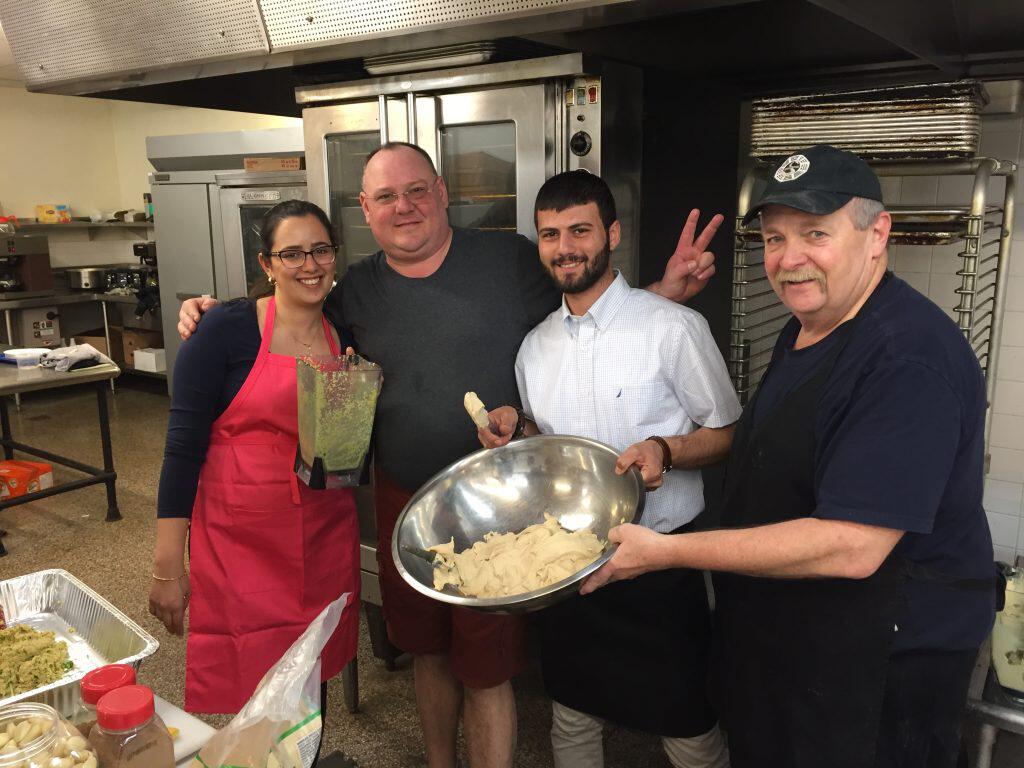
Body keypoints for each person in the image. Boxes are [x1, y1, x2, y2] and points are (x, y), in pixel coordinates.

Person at [178, 142, 722, 768]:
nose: (403, 206)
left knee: (487, 669)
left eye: (416, 190)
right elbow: (290, 308)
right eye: (386, 196)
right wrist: (216, 314)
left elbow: (588, 317)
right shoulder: (356, 290)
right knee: (427, 652)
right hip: (402, 495)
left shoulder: (508, 260)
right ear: (366, 209)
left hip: (501, 506)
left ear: (440, 192)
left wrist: (661, 292)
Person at [582, 144, 997, 768]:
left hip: (877, 663)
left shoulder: (906, 359)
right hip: (798, 643)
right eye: (774, 238)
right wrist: (669, 447)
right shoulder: (807, 326)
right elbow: (769, 441)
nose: (789, 258)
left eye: (816, 233)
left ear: (876, 234)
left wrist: (668, 552)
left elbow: (852, 547)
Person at [476, 170, 739, 768]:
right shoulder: (534, 347)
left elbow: (725, 434)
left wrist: (666, 451)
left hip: (661, 559)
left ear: (611, 233)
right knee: (571, 709)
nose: (565, 247)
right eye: (550, 235)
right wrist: (517, 431)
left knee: (687, 720)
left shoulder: (673, 328)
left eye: (579, 230)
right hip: (569, 560)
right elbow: (549, 437)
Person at [150, 200, 360, 720]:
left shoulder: (345, 335)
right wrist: (167, 567)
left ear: (335, 256)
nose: (309, 265)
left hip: (323, 532)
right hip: (244, 542)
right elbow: (181, 449)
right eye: (292, 253)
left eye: (320, 250)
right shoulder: (224, 329)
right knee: (256, 689)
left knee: (310, 675)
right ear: (266, 264)